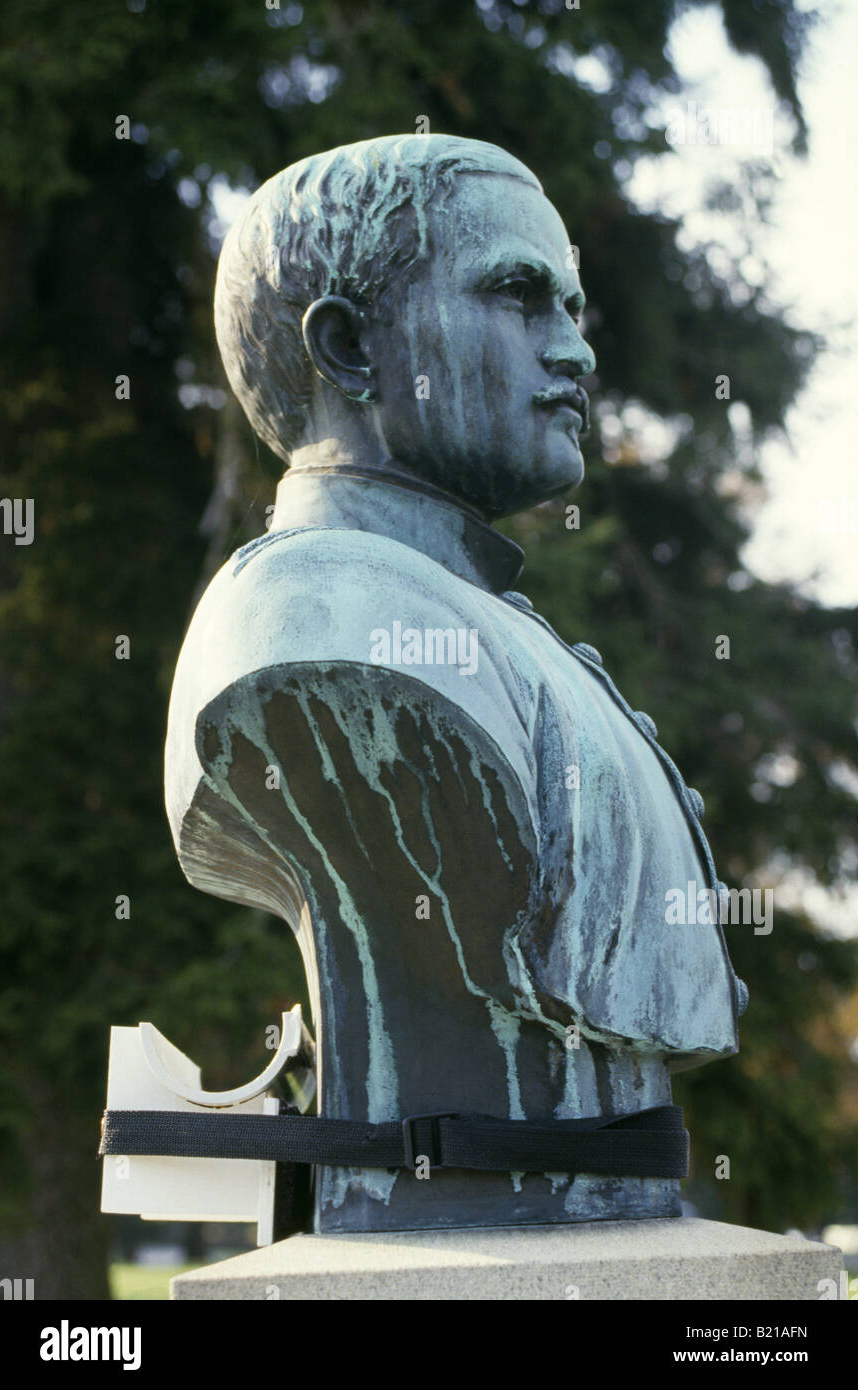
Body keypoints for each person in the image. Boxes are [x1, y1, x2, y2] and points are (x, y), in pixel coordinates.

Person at [165, 135, 745, 1234]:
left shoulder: (480, 623)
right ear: (346, 348)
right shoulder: (314, 624)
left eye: (572, 309)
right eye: (520, 297)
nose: (573, 352)